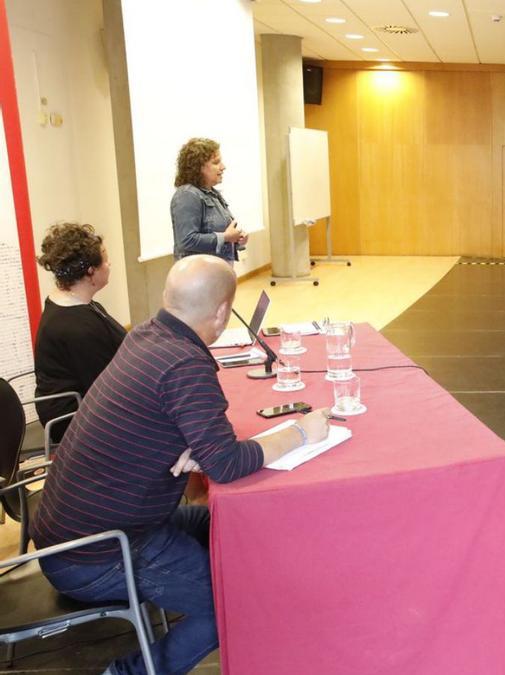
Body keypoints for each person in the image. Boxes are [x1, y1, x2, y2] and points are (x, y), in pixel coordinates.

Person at [30, 255, 332, 675]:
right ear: (223, 311)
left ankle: (275, 606)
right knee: (228, 606)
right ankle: (126, 672)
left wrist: (189, 442)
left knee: (229, 525)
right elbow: (225, 464)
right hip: (99, 554)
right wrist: (301, 432)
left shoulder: (147, 337)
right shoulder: (184, 364)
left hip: (79, 535)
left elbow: (175, 428)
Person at [33, 223, 126, 443]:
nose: (109, 263)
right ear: (91, 271)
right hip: (77, 421)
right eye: (105, 259)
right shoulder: (76, 328)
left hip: (90, 405)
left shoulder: (78, 305)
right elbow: (109, 388)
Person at [171, 137, 248, 263]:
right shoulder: (187, 195)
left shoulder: (213, 193)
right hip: (198, 276)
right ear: (198, 167)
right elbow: (186, 240)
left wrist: (238, 239)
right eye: (216, 162)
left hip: (216, 272)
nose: (223, 167)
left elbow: (226, 232)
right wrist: (226, 237)